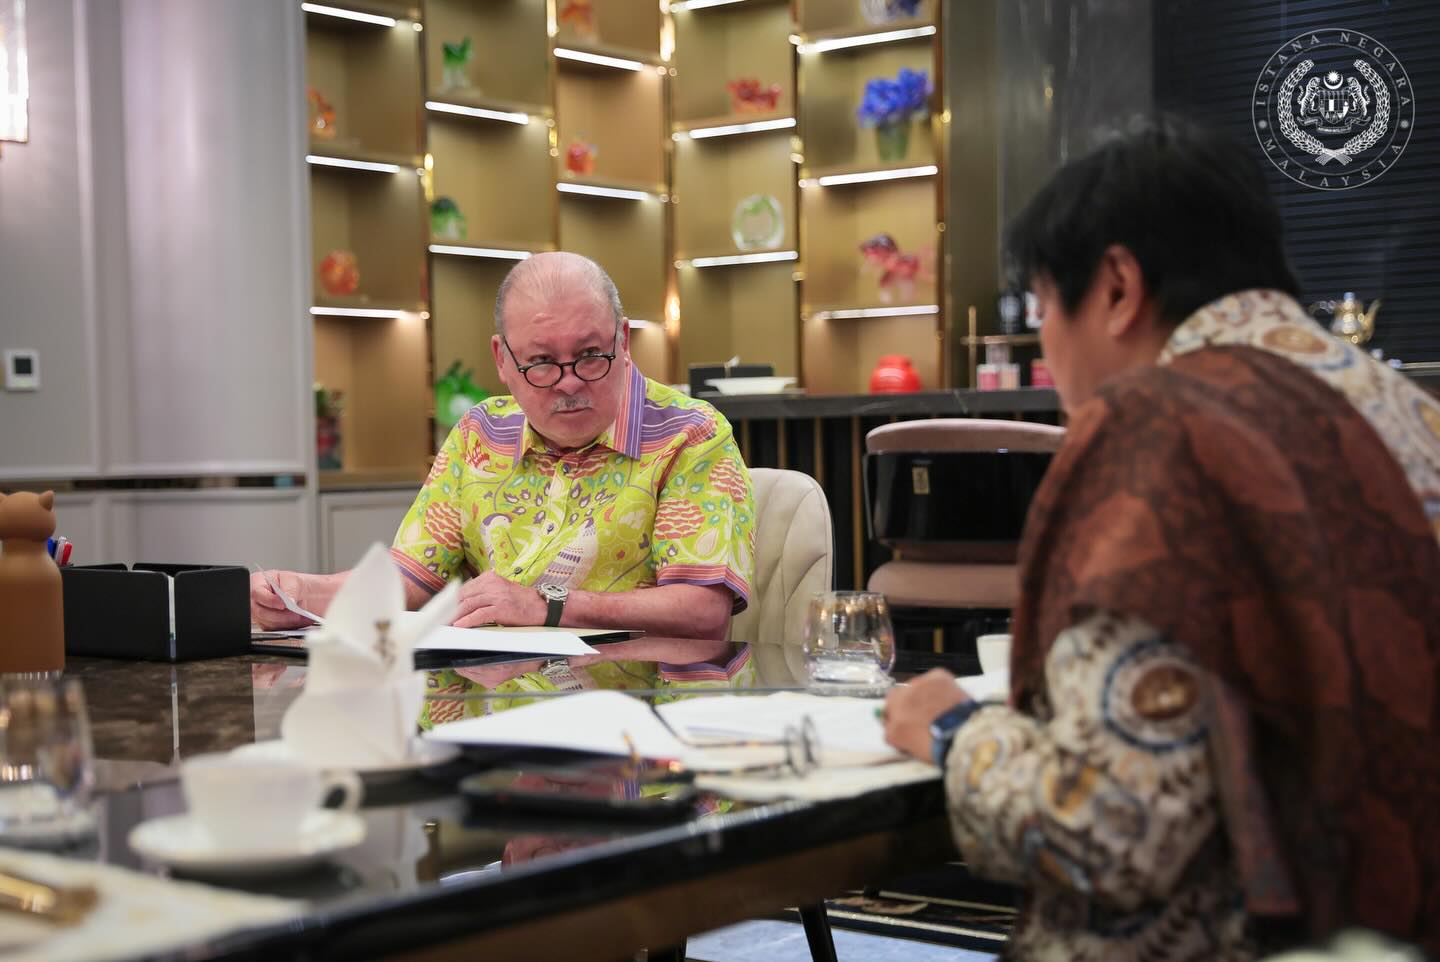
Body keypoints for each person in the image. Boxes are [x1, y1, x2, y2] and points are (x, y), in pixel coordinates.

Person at [883, 116, 1440, 960]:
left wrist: (953, 730)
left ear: (1116, 287)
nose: (1049, 349)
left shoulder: (1158, 423)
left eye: (1046, 309)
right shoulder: (1411, 412)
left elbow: (1112, 829)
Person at [253, 252, 758, 711]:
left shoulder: (690, 435)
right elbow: (410, 579)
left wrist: (546, 605)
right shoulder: (481, 434)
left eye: (589, 354)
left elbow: (702, 611)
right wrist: (303, 595)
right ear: (502, 360)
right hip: (491, 723)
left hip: (638, 730)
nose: (568, 381)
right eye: (540, 362)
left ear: (622, 342)